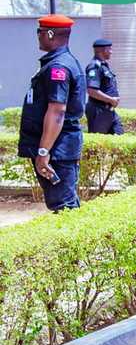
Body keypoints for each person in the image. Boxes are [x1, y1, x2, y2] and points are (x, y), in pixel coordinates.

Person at [19, 14, 86, 212]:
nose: (38, 36)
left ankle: (75, 243)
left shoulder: (59, 67)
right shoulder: (58, 62)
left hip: (57, 150)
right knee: (63, 204)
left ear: (49, 34)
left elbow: (57, 111)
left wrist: (43, 152)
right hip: (58, 148)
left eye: (39, 32)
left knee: (63, 206)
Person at [84, 39, 123, 135]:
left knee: (119, 135)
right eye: (109, 49)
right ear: (103, 50)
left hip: (109, 110)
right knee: (98, 142)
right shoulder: (94, 67)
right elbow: (91, 90)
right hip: (98, 111)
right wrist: (111, 100)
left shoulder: (104, 66)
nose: (111, 52)